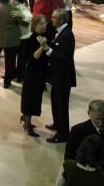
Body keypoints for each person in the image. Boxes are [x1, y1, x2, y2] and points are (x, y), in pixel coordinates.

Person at [65, 100, 104, 186]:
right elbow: (69, 158)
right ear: (89, 113)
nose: (101, 123)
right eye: (97, 119)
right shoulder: (78, 131)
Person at [43, 9, 77, 143]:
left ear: (62, 20)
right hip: (57, 75)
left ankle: (63, 134)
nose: (51, 19)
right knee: (55, 101)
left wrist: (48, 49)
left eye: (54, 17)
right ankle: (57, 124)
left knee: (61, 105)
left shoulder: (67, 35)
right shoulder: (61, 32)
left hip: (63, 77)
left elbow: (64, 57)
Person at [19, 14, 49, 137]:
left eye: (45, 23)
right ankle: (27, 124)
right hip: (32, 73)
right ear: (35, 26)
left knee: (35, 97)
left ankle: (26, 119)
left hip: (40, 73)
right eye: (41, 23)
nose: (44, 25)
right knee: (30, 98)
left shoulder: (42, 36)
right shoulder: (32, 39)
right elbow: (32, 58)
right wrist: (43, 46)